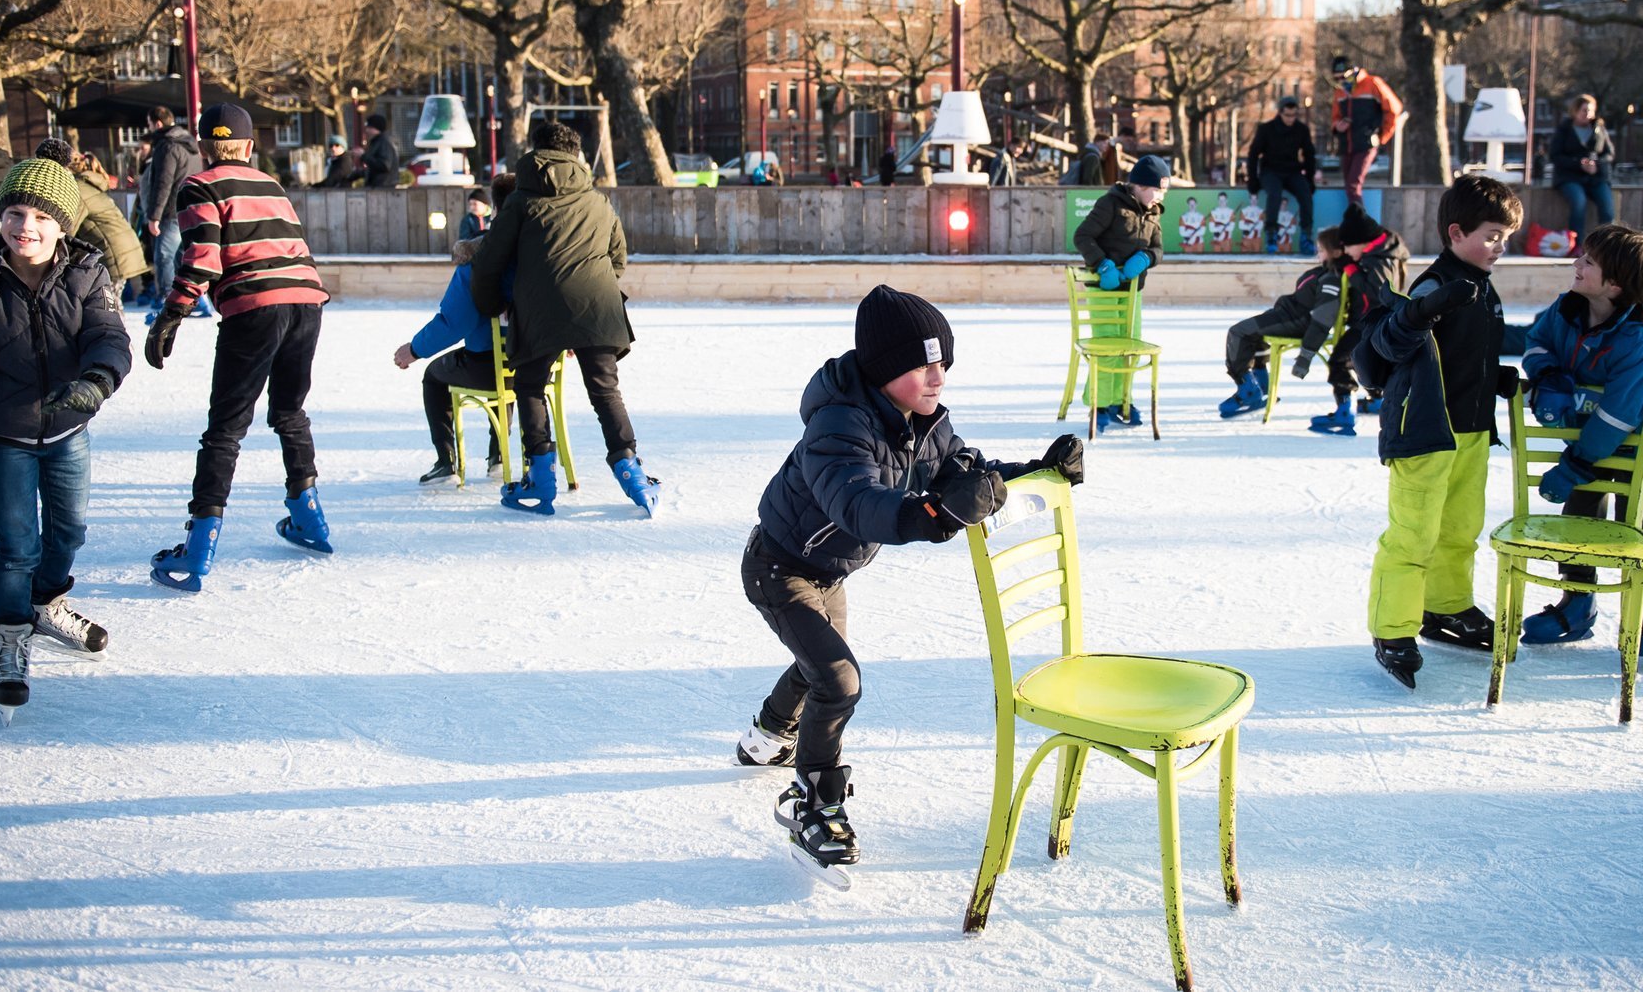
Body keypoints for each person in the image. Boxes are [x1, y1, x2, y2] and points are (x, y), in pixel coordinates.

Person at [733, 284, 1084, 882]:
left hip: (831, 570)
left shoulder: (925, 423)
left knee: (820, 664)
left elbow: (965, 473)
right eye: (921, 364)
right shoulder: (838, 427)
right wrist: (934, 515)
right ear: (883, 370)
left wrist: (1036, 471)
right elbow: (859, 505)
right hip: (781, 567)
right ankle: (816, 806)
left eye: (943, 361)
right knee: (838, 680)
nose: (937, 375)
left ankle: (767, 733)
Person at [0, 152, 132, 719]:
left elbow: (108, 334)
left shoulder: (88, 273)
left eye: (41, 217)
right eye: (15, 212)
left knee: (69, 531)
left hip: (68, 429)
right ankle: (10, 635)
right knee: (16, 546)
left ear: (63, 228)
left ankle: (46, 604)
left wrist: (96, 383)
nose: (25, 226)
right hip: (4, 434)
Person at [144, 104, 332, 591]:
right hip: (306, 301)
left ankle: (198, 548)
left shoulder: (199, 186)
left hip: (254, 307)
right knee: (290, 412)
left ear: (205, 148)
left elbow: (202, 260)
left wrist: (171, 315)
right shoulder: (272, 186)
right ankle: (309, 519)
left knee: (225, 428)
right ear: (249, 147)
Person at [1352, 175, 1526, 688]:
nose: (1501, 247)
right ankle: (1392, 630)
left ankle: (1446, 608)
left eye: (1506, 237)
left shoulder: (1482, 286)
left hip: (1470, 430)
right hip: (1425, 432)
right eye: (1493, 235)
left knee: (1458, 530)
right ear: (1456, 232)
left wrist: (1492, 377)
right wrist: (1422, 310)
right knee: (1413, 535)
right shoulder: (1435, 285)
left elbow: (1456, 356)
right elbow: (1387, 344)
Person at [469, 120, 661, 516]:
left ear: (535, 152)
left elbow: (488, 263)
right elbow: (618, 259)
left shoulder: (521, 201)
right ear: (576, 155)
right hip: (597, 307)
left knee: (530, 386)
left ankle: (540, 479)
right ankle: (632, 472)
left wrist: (490, 305)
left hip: (539, 310)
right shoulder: (598, 201)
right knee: (605, 390)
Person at [1518, 223, 1643, 660]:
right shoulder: (1565, 311)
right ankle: (1578, 602)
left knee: (1635, 530)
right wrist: (1549, 376)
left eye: (1588, 261)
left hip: (1633, 452)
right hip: (1582, 445)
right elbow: (1535, 342)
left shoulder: (1638, 342)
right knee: (1576, 529)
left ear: (1616, 283)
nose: (1576, 263)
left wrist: (1575, 465)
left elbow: (1619, 415)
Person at [393, 200, 515, 486]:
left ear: (495, 211)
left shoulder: (479, 261)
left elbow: (455, 322)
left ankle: (446, 462)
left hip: (487, 367)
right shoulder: (542, 254)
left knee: (435, 377)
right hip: (537, 365)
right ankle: (499, 455)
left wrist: (414, 350)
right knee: (507, 360)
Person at [1072, 154, 1168, 431]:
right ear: (1139, 185)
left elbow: (1159, 249)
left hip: (1133, 291)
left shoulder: (1153, 211)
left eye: (1163, 191)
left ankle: (1120, 401)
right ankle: (1099, 404)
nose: (1160, 196)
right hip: (1104, 288)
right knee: (1108, 349)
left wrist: (1148, 257)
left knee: (1130, 348)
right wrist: (1102, 264)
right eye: (1157, 189)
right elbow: (1082, 236)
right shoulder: (1111, 204)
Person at [1305, 204, 1411, 436]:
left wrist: (1351, 269)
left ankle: (1344, 412)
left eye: (1347, 246)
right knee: (1368, 362)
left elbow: (1378, 293)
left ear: (1362, 242)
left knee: (1341, 361)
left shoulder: (1380, 260)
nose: (1345, 251)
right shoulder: (1382, 250)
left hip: (1374, 322)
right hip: (1378, 321)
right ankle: (1378, 400)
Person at [1218, 226, 1344, 418]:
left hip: (1296, 321)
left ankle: (1247, 390)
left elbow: (1322, 320)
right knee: (1252, 333)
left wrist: (1305, 356)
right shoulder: (1327, 272)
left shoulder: (1331, 279)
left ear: (1336, 252)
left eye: (1321, 251)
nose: (1317, 255)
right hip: (1289, 315)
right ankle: (1262, 384)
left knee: (1239, 332)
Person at [38, 139, 149, 294]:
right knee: (107, 304)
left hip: (113, 252)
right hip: (119, 248)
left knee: (106, 307)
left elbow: (67, 227)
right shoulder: (83, 185)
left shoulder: (76, 190)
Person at [139, 106, 205, 326]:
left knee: (164, 256)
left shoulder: (167, 146)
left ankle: (167, 300)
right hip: (191, 208)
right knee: (183, 256)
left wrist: (153, 215)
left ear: (157, 123)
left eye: (149, 124)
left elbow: (163, 183)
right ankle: (198, 298)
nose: (149, 128)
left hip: (170, 211)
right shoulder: (190, 145)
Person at [1329, 55, 1404, 207]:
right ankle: (1356, 218)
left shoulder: (1372, 84)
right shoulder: (1340, 92)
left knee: (1353, 184)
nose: (1341, 82)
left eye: (1343, 77)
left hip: (1366, 143)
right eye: (1337, 79)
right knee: (1348, 185)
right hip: (1347, 145)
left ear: (1353, 72)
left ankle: (1360, 223)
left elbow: (1394, 109)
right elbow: (1335, 117)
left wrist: (1382, 136)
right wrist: (1337, 126)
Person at [1248, 96, 1318, 255]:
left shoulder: (1301, 129)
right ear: (1280, 113)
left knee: (1306, 194)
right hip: (1270, 171)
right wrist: (1252, 179)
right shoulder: (1266, 129)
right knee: (1274, 194)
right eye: (1287, 115)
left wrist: (1309, 179)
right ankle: (1272, 234)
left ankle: (1306, 236)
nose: (1291, 119)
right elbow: (1253, 154)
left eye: (1294, 115)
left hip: (1292, 170)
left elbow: (1309, 154)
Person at [1550, 93, 1616, 238]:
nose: (1588, 114)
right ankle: (1577, 243)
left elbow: (1609, 153)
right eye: (1584, 110)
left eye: (1591, 111)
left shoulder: (1599, 129)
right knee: (1579, 203)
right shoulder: (1564, 129)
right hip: (1570, 176)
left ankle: (1606, 243)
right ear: (1575, 111)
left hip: (1596, 177)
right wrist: (1578, 164)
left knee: (1607, 208)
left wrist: (1596, 164)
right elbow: (1555, 155)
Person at [360, 114, 399, 189]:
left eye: (369, 127)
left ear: (376, 128)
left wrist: (363, 156)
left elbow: (384, 165)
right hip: (378, 186)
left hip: (383, 187)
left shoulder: (384, 142)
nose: (367, 130)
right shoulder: (376, 142)